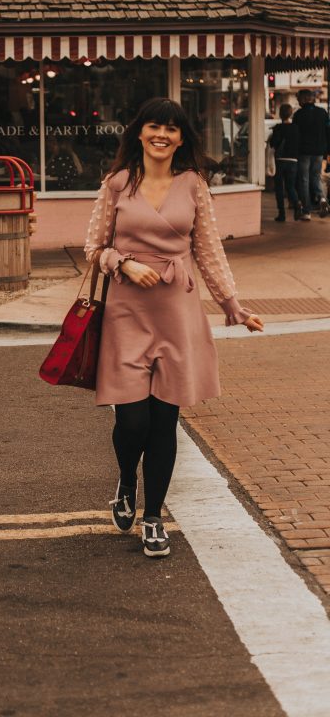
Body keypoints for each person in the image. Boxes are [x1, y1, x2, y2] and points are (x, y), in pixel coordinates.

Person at [84, 98, 263, 560]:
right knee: (132, 420)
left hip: (177, 313)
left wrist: (232, 305)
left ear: (181, 138)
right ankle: (127, 480)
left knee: (165, 420)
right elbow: (93, 247)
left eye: (171, 128)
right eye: (153, 126)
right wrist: (121, 262)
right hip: (127, 313)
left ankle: (153, 516)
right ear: (139, 132)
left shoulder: (194, 185)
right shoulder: (117, 183)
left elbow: (208, 251)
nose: (161, 134)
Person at [292, 89, 330, 220]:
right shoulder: (323, 113)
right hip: (319, 152)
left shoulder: (298, 115)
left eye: (299, 99)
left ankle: (306, 212)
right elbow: (327, 131)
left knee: (304, 180)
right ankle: (323, 200)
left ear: (303, 99)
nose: (298, 101)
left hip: (304, 152)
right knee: (315, 177)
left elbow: (295, 135)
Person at [269, 103, 301, 222]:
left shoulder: (278, 128)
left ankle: (281, 214)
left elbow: (274, 144)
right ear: (291, 113)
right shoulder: (296, 128)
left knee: (279, 187)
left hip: (280, 160)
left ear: (280, 114)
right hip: (293, 160)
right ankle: (297, 204)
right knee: (290, 186)